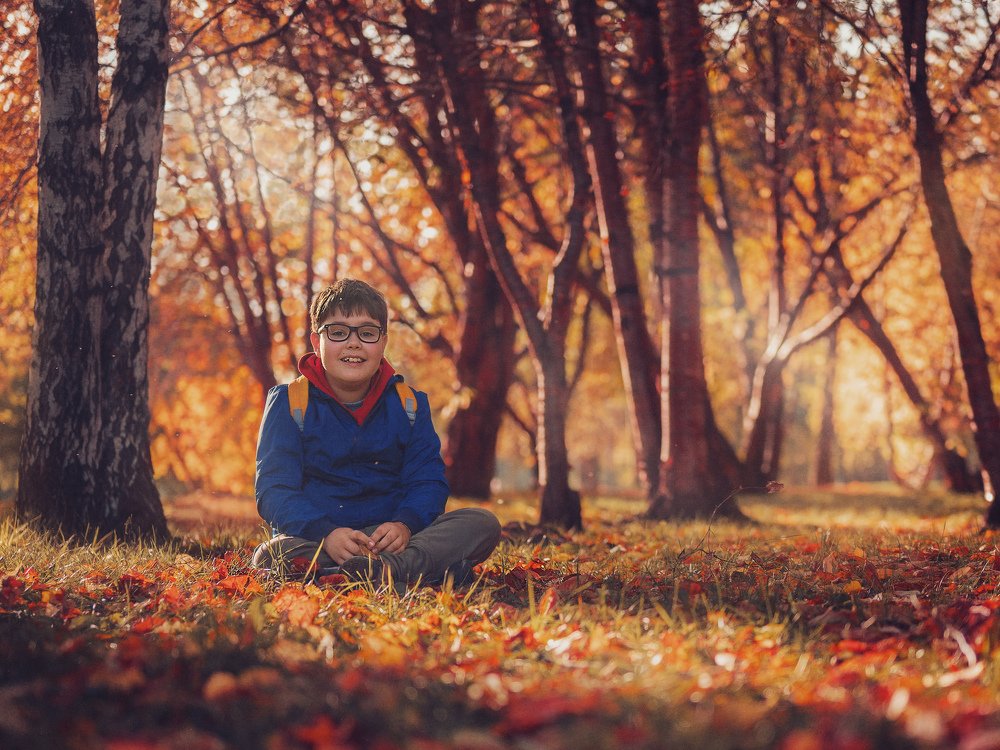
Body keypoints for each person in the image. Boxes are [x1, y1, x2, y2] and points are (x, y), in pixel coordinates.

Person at [252, 278, 501, 589]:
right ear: (317, 343)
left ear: (383, 342)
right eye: (338, 332)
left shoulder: (410, 404)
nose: (353, 343)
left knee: (482, 524)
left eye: (367, 333)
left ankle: (383, 569)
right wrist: (327, 534)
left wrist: (405, 525)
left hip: (390, 540)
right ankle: (416, 571)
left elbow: (428, 481)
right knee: (270, 554)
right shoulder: (289, 403)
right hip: (318, 540)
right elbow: (274, 491)